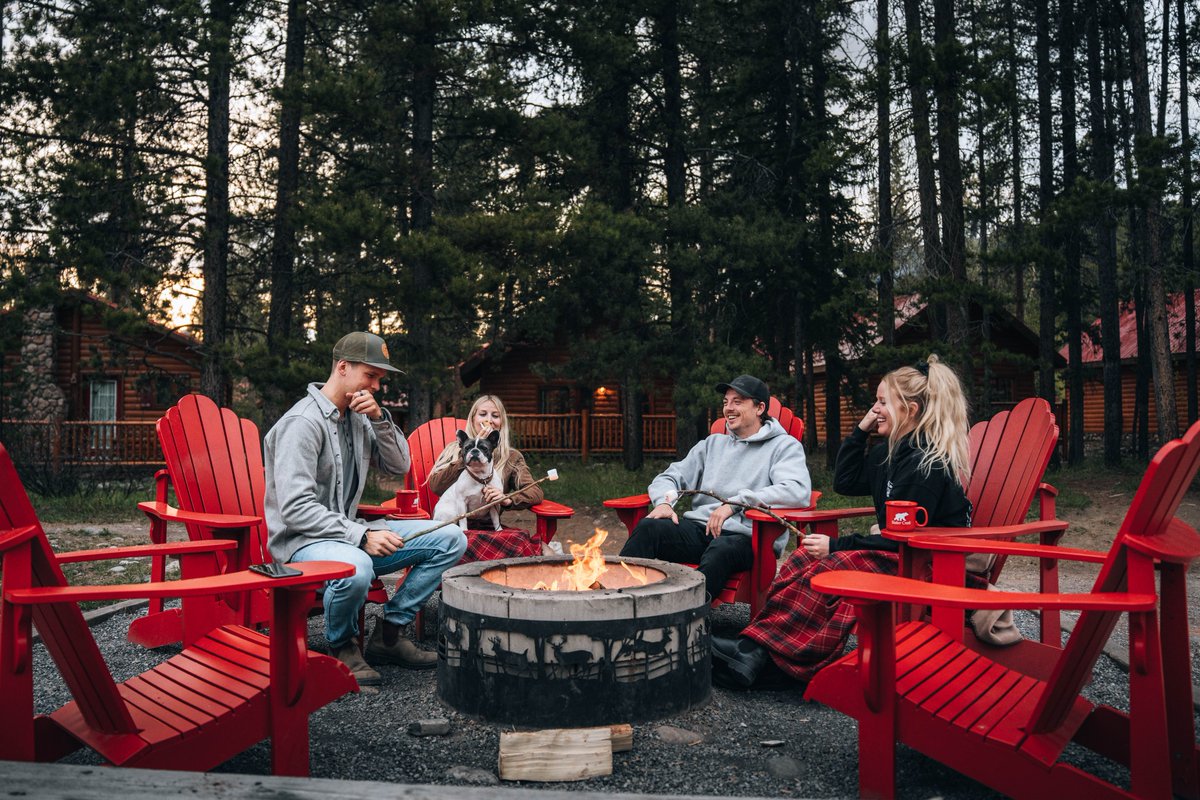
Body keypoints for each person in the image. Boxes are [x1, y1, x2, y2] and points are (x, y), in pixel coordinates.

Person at [710, 355, 972, 689]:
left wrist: (837, 544)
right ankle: (756, 648)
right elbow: (845, 482)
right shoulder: (891, 455)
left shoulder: (926, 466)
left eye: (882, 402)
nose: (875, 409)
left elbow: (901, 540)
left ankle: (774, 661)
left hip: (929, 564)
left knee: (831, 564)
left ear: (910, 410)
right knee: (803, 558)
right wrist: (861, 431)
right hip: (900, 551)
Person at [264, 331, 467, 687]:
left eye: (379, 379)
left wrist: (380, 419)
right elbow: (295, 509)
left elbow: (399, 463)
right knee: (355, 567)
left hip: (346, 533)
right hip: (301, 543)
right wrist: (361, 535)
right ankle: (342, 645)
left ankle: (388, 634)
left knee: (449, 538)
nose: (375, 385)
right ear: (343, 367)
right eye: (370, 376)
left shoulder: (357, 418)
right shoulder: (302, 424)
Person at [618, 374, 812, 603]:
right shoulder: (712, 444)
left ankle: (687, 615)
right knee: (650, 527)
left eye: (737, 402)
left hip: (748, 538)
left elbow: (796, 490)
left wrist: (735, 504)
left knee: (721, 548)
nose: (728, 408)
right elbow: (670, 476)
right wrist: (664, 502)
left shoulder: (783, 446)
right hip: (700, 531)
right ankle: (618, 601)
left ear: (760, 408)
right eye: (725, 402)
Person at [427, 394, 547, 561]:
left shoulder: (511, 457)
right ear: (473, 418)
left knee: (523, 542)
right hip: (454, 526)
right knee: (457, 545)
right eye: (483, 414)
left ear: (502, 422)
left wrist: (508, 499)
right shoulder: (454, 450)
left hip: (490, 528)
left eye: (495, 416)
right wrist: (466, 456)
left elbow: (534, 491)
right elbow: (436, 486)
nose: (489, 420)